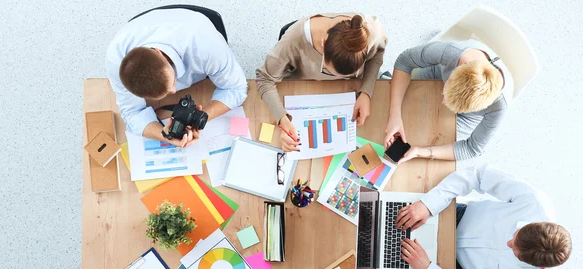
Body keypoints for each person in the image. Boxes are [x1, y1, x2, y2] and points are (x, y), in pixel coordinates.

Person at [395, 166, 572, 269]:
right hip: (452, 216)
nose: (509, 243)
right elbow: (479, 175)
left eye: (515, 252)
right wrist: (429, 204)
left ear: (540, 267)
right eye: (516, 235)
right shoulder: (535, 203)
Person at [106, 8, 248, 148]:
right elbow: (131, 114)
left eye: (173, 82)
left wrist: (201, 119)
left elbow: (236, 88)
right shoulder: (116, 61)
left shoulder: (207, 47)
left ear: (158, 53)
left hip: (195, 32)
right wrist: (165, 135)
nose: (174, 91)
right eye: (166, 93)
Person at [256, 14, 388, 152]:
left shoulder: (373, 33)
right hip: (301, 86)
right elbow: (264, 78)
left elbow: (377, 55)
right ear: (323, 43)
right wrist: (282, 119)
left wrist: (366, 92)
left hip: (344, 92)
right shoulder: (293, 40)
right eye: (327, 70)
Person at [383, 40, 515, 162]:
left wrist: (421, 152)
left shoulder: (500, 107)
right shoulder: (452, 53)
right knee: (394, 109)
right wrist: (394, 115)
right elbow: (405, 61)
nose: (442, 103)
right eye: (445, 95)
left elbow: (472, 148)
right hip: (436, 75)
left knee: (430, 140)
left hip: (466, 118)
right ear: (454, 73)